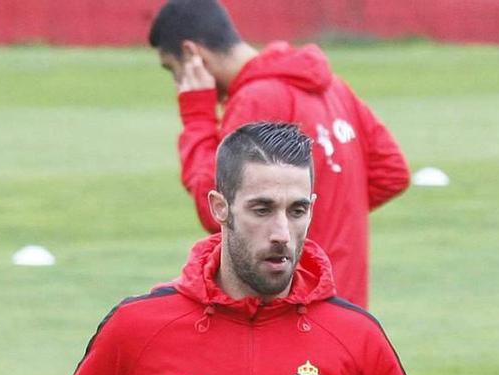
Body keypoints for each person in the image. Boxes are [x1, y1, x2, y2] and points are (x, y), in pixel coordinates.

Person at [0, 122, 443, 375]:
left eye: (297, 209)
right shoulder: (139, 328)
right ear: (220, 207)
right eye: (262, 209)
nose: (283, 232)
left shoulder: (353, 336)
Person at [149, 0, 412, 308]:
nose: (178, 82)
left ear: (193, 54)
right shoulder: (333, 88)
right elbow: (391, 173)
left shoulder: (256, 99)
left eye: (174, 69)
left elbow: (214, 209)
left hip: (294, 304)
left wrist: (197, 113)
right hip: (346, 307)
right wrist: (321, 219)